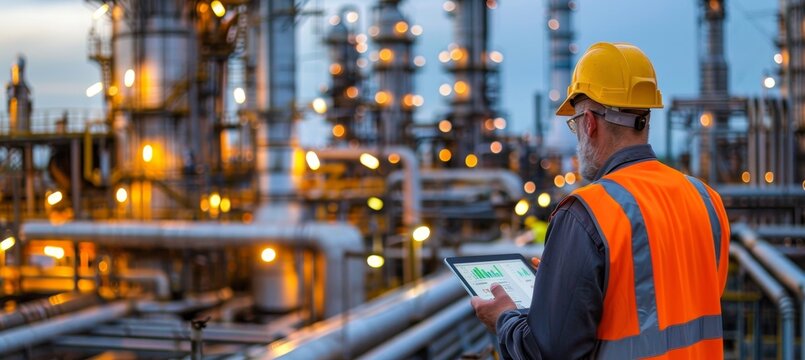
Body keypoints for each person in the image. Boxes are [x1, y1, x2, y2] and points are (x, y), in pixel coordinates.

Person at [470, 42, 730, 359]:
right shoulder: (705, 199)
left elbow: (548, 353)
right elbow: (662, 302)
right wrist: (562, 291)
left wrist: (504, 319)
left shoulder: (586, 212)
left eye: (574, 123)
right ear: (645, 118)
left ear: (589, 122)